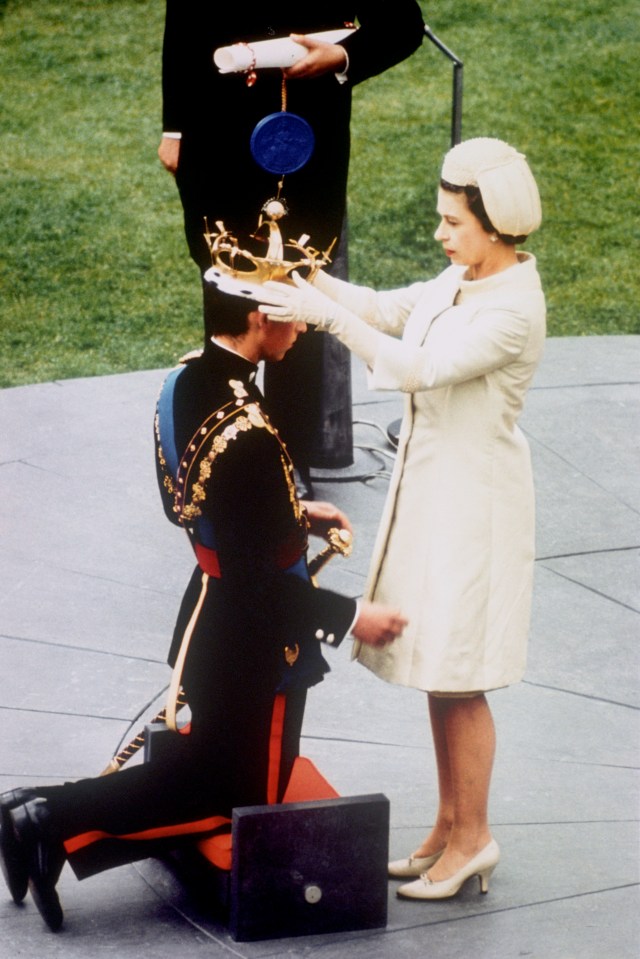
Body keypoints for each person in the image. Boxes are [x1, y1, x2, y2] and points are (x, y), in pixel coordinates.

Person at [0, 282, 407, 932]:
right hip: (258, 641)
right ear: (256, 318)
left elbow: (211, 510)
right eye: (292, 320)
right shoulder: (245, 426)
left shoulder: (186, 382)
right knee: (240, 791)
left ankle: (40, 816)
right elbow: (263, 582)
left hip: (209, 615)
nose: (301, 332)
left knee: (211, 768)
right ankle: (47, 817)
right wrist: (353, 616)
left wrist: (293, 515)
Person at [258, 137, 546, 900]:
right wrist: (313, 280)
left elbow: (414, 368)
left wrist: (316, 313)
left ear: (493, 226)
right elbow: (390, 310)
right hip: (437, 489)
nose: (441, 235)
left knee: (462, 673)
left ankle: (475, 836)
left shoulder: (514, 308)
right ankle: (449, 828)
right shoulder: (466, 276)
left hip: (476, 503)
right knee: (438, 672)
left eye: (453, 222)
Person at [158, 3, 425, 494]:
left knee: (300, 296)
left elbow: (402, 25)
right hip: (214, 132)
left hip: (306, 139)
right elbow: (185, 16)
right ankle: (219, 451)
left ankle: (287, 463)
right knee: (226, 289)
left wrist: (342, 58)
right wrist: (174, 126)